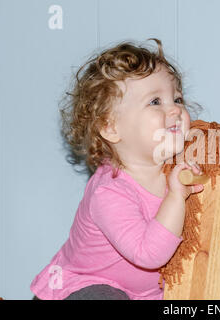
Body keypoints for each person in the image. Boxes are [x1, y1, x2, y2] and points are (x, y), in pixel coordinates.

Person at [30, 39, 203, 300]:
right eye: (155, 102)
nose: (175, 109)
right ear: (111, 127)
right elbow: (149, 255)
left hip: (147, 294)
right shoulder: (109, 192)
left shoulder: (180, 170)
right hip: (86, 286)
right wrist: (177, 197)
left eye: (177, 98)